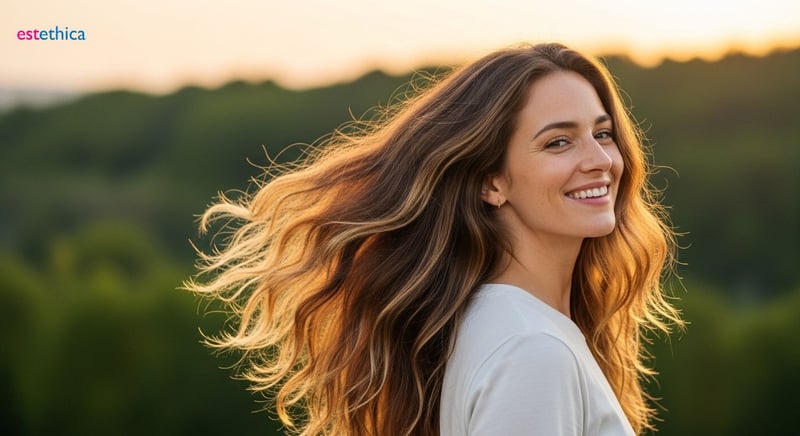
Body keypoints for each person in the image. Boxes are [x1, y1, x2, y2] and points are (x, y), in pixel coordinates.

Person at [187, 42, 684, 435]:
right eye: (558, 141)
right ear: (492, 182)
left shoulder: (499, 323)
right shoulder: (532, 349)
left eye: (602, 133)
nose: (600, 159)